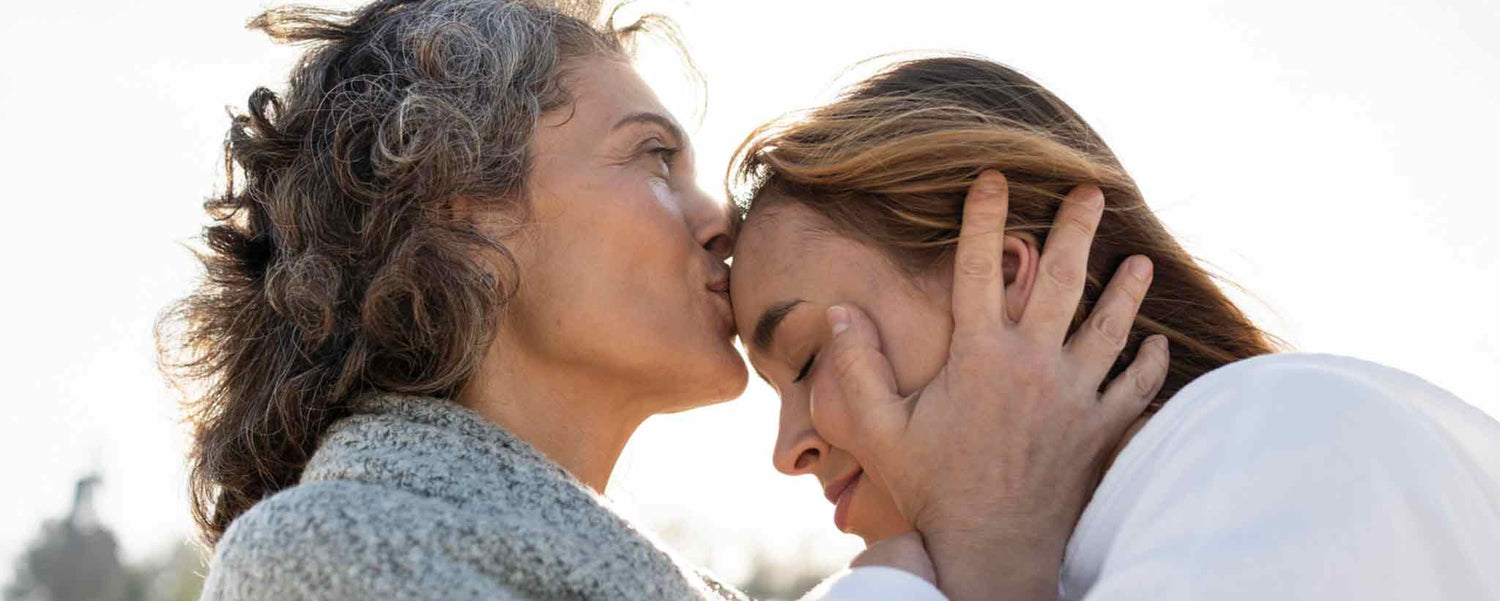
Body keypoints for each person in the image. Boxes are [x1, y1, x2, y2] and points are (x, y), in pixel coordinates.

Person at [157, 3, 1165, 600]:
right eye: (652, 158)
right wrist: (992, 557)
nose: (718, 216)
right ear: (465, 216)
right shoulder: (326, 557)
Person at [728, 54, 1500, 600]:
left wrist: (986, 554)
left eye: (804, 359)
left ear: (998, 279)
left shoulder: (1281, 441)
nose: (786, 450)